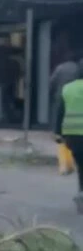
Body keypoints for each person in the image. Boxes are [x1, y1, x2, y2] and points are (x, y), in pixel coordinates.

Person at [55, 59, 83, 213]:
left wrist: (58, 132)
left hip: (72, 135)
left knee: (81, 165)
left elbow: (60, 111)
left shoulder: (68, 88)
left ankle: (81, 193)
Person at [50, 51, 79, 132]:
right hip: (73, 95)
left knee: (58, 113)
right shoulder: (77, 68)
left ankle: (56, 130)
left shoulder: (60, 68)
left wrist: (52, 90)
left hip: (60, 93)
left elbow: (52, 81)